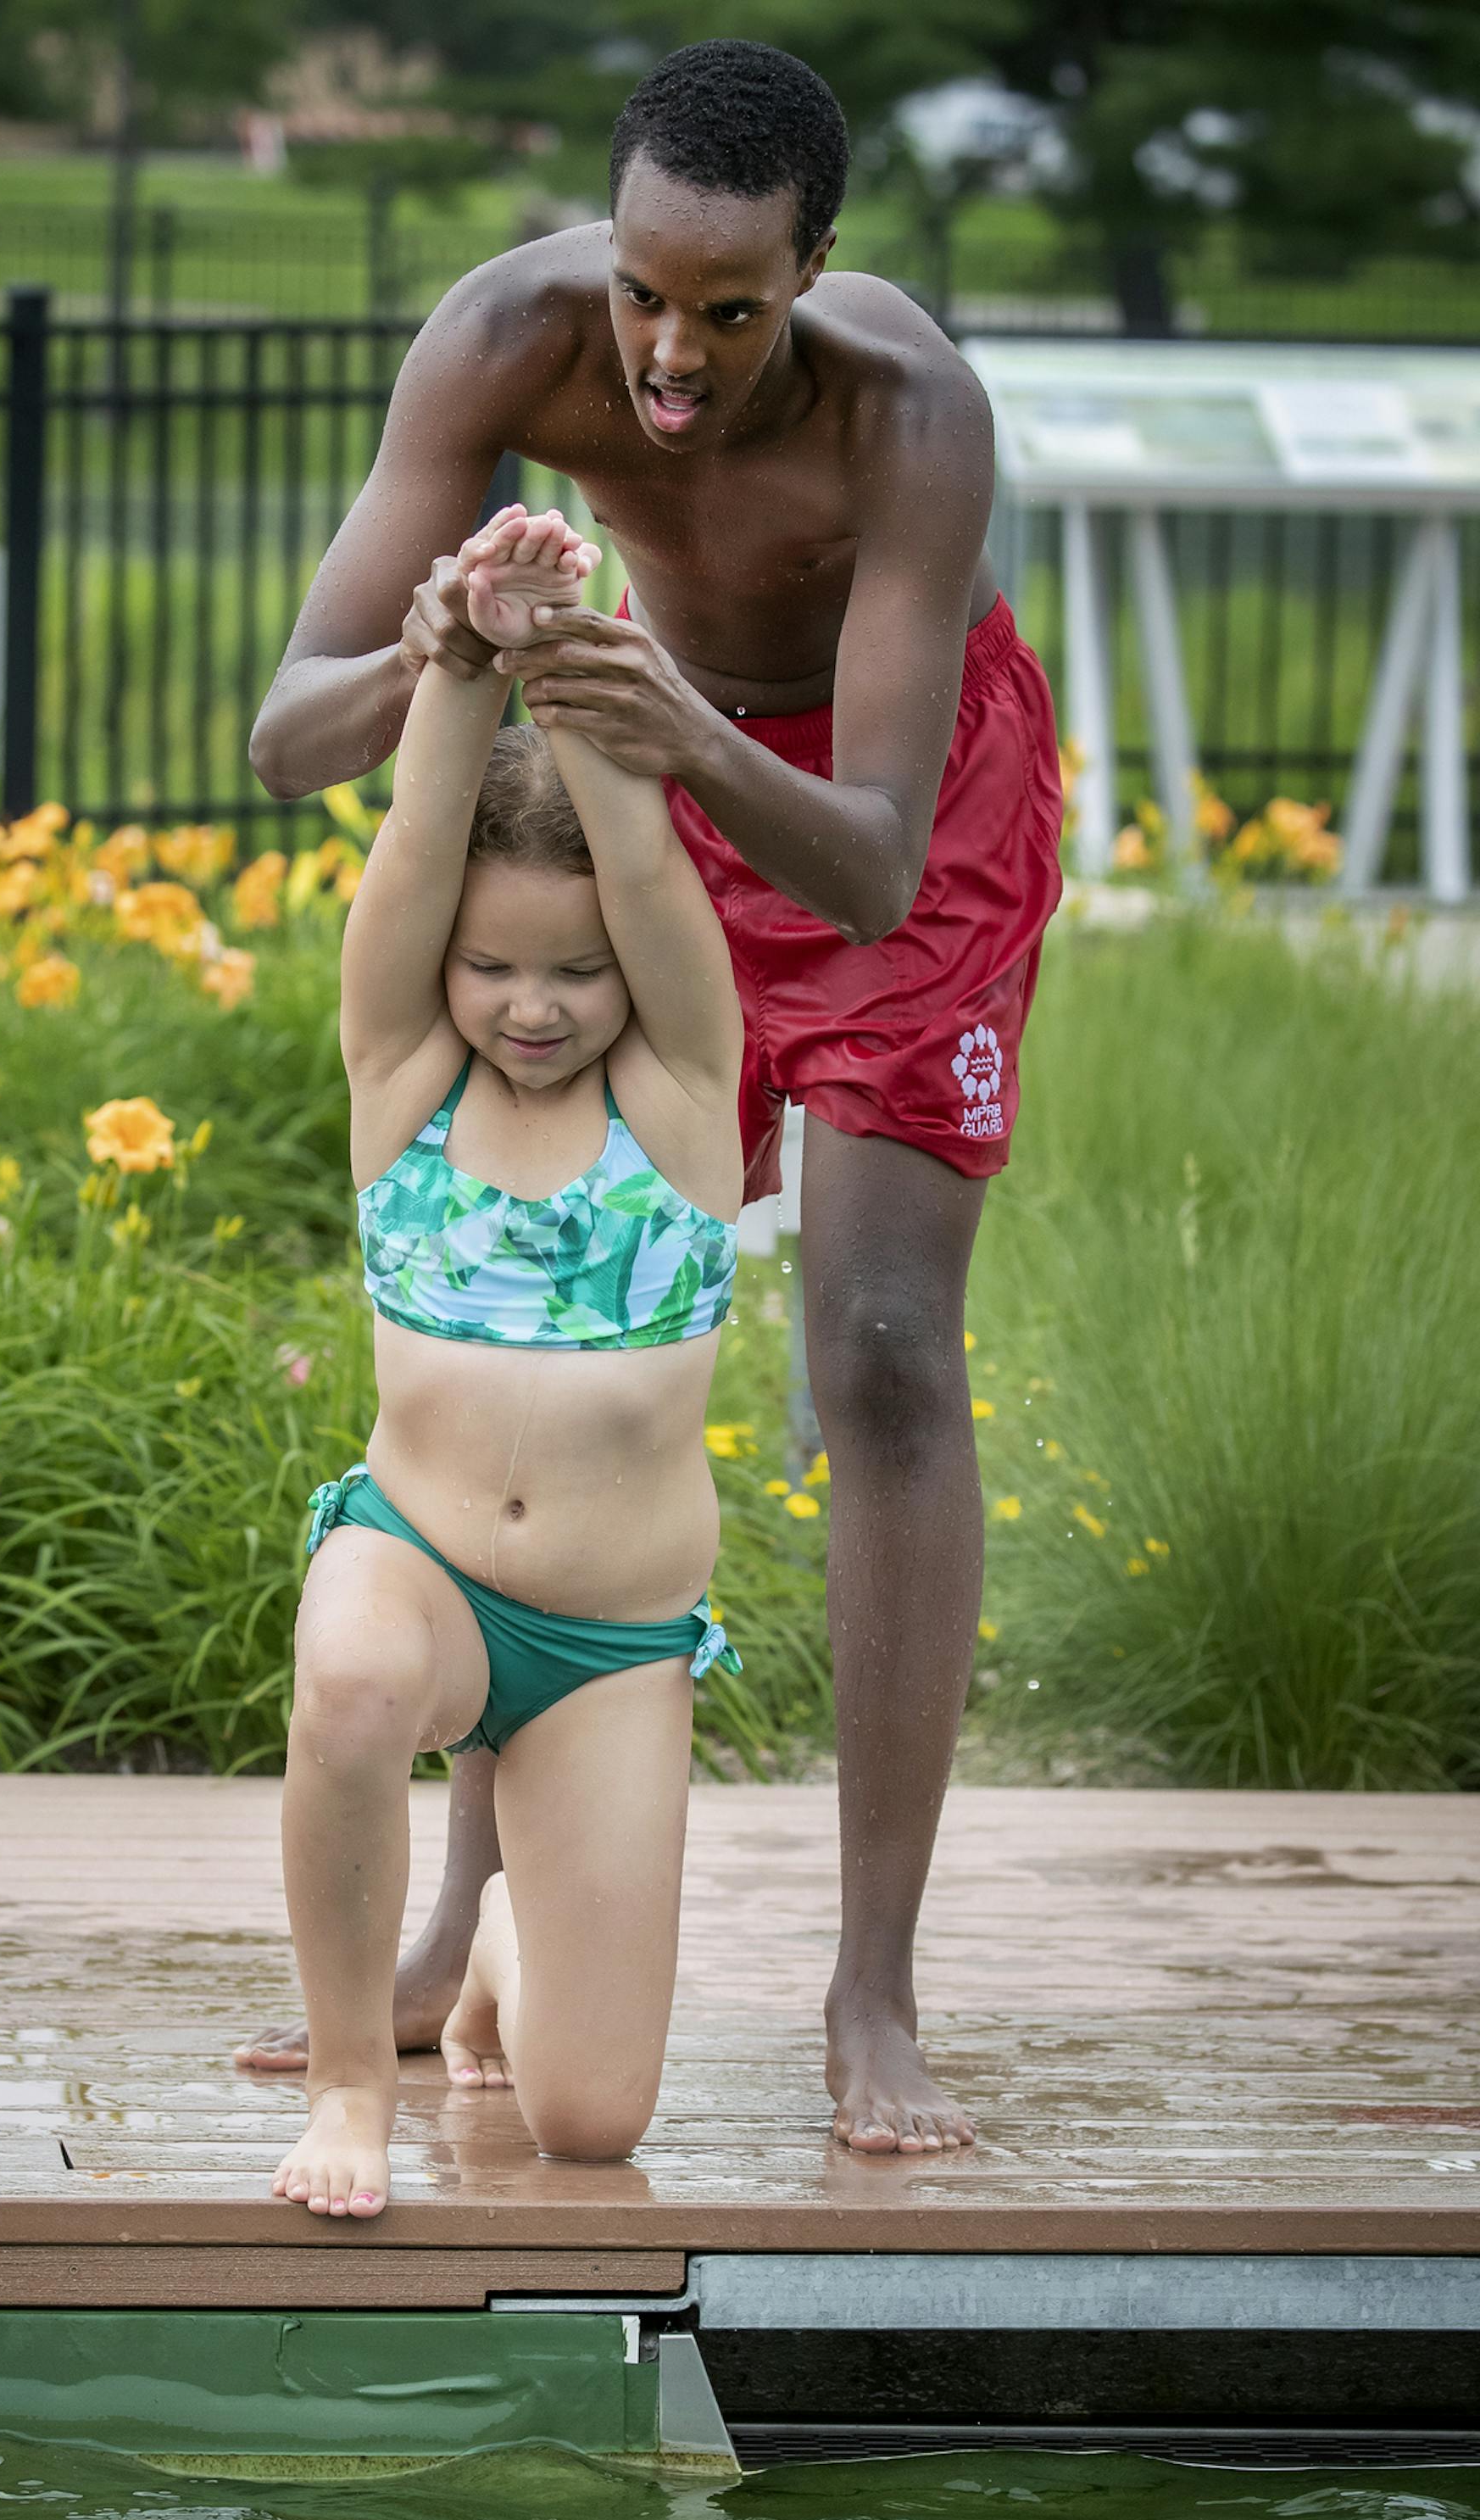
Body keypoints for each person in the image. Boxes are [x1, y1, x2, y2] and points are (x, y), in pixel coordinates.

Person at [243, 39, 1063, 2157]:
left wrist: (677, 724)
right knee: (549, 1303)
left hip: (884, 800)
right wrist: (439, 638)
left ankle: (870, 1988)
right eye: (644, 292)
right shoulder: (510, 339)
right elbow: (287, 735)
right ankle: (455, 1927)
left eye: (730, 307)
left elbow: (873, 857)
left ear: (818, 269)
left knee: (879, 1345)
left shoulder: (912, 412)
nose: (671, 357)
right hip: (650, 779)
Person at [270, 504, 745, 2221]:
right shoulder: (408, 1079)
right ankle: (346, 2084)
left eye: (575, 973)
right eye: (491, 966)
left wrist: (567, 644)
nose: (531, 1005)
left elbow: (649, 874)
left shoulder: (682, 1108)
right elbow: (410, 846)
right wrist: (465, 652)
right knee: (352, 1686)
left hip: (612, 1642)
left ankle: (496, 1973)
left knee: (590, 2121)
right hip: (423, 1567)